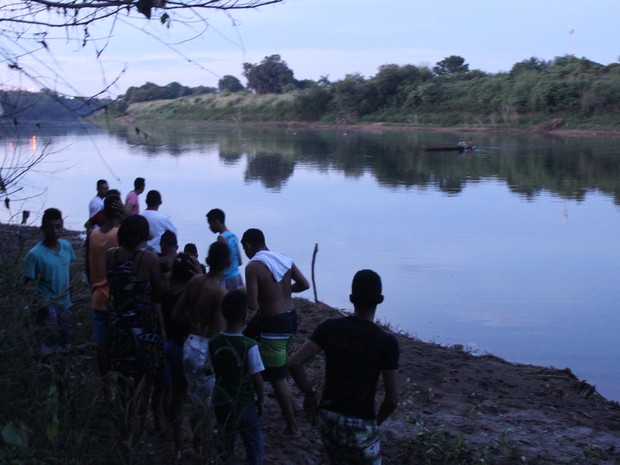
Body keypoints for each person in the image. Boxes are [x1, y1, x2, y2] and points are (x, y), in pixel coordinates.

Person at [288, 270, 400, 465]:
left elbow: (295, 363)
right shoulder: (386, 342)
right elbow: (391, 401)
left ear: (351, 298)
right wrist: (375, 424)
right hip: (361, 422)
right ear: (380, 299)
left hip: (328, 418)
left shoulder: (329, 327)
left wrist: (309, 394)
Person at [240, 228, 309, 438]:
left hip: (273, 324)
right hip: (290, 318)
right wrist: (285, 291)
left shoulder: (253, 267)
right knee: (276, 363)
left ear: (249, 246)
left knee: (277, 376)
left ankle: (293, 427)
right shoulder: (283, 259)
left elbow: (252, 304)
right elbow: (304, 284)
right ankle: (294, 404)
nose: (245, 252)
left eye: (244, 248)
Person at [106, 215, 164, 433]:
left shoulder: (110, 256)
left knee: (123, 373)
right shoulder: (148, 259)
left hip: (119, 324)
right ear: (141, 236)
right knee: (144, 376)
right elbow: (157, 294)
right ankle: (139, 419)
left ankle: (126, 414)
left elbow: (113, 286)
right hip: (143, 326)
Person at [172, 241, 230, 458]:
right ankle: (203, 451)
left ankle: (196, 444)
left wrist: (195, 322)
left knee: (195, 397)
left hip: (189, 344)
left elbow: (177, 313)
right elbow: (218, 332)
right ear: (228, 262)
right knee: (207, 407)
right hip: (205, 350)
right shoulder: (220, 292)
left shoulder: (195, 281)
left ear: (207, 261)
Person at [209, 290, 265, 465]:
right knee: (253, 442)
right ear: (245, 316)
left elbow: (211, 369)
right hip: (243, 401)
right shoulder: (249, 345)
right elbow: (257, 378)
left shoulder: (214, 341)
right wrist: (261, 399)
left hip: (219, 399)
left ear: (223, 313)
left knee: (226, 438)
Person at [157, 252, 202, 450]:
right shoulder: (190, 296)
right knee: (192, 396)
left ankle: (176, 436)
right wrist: (201, 275)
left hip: (170, 346)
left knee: (175, 393)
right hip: (187, 350)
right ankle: (198, 441)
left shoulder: (166, 293)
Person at [23, 208, 77, 356]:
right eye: (50, 227)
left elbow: (68, 271)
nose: (54, 231)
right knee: (48, 347)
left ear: (62, 226)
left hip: (65, 305)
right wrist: (40, 305)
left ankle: (62, 375)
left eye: (58, 226)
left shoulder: (66, 246)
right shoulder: (35, 254)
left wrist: (70, 297)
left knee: (64, 344)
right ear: (43, 229)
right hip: (47, 307)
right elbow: (27, 285)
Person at [85, 192, 124, 395]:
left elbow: (86, 265)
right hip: (116, 298)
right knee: (117, 342)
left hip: (97, 295)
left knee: (102, 342)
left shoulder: (92, 235)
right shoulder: (118, 234)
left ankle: (105, 386)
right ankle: (118, 384)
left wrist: (93, 285)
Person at [206, 208, 244, 291]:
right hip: (237, 276)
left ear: (216, 222)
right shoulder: (233, 236)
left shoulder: (221, 238)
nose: (209, 227)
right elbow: (240, 261)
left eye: (210, 224)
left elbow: (220, 263)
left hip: (227, 279)